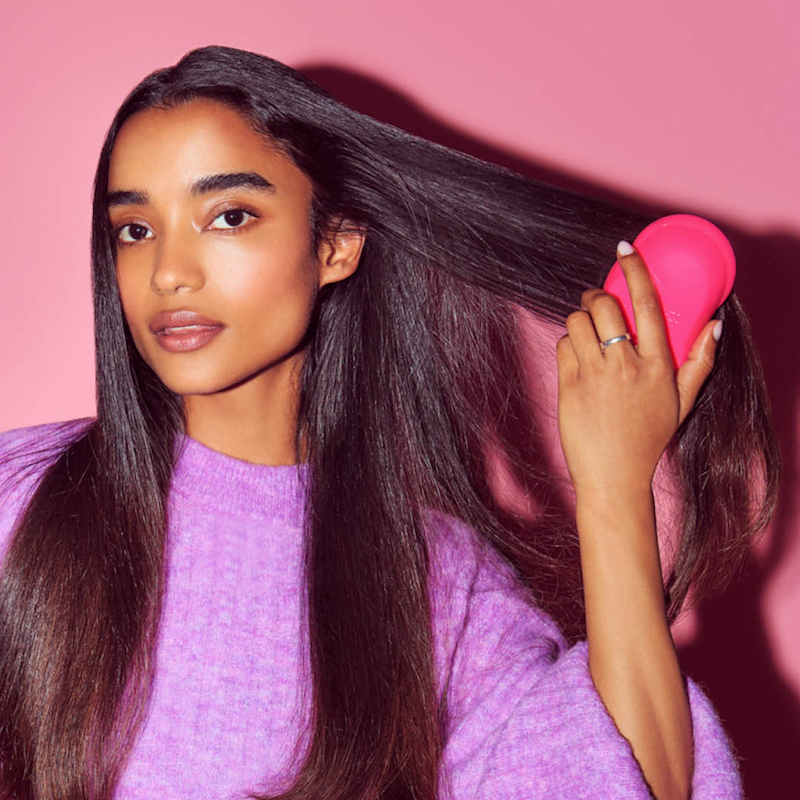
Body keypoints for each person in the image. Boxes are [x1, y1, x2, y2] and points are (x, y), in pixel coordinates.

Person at [0, 45, 779, 800]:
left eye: (229, 216)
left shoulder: (434, 581)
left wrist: (615, 483)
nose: (168, 272)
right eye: (135, 229)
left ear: (335, 245)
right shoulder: (21, 498)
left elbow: (628, 782)